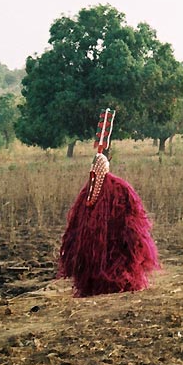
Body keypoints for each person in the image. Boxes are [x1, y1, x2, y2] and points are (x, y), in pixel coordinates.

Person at [58, 109, 160, 297]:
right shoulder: (93, 193)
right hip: (101, 249)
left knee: (113, 263)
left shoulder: (116, 190)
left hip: (115, 247)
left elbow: (131, 222)